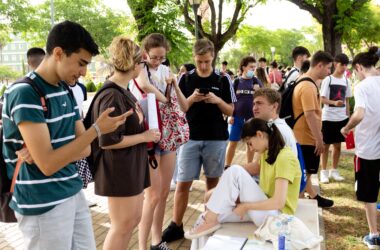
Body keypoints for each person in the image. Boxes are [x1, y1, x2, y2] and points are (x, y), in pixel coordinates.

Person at [2, 20, 129, 250]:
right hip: (42, 202)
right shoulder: (25, 93)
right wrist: (96, 130)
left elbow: (85, 149)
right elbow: (49, 164)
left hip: (72, 191)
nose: (84, 72)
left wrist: (51, 151)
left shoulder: (64, 89)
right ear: (58, 53)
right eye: (81, 63)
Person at [90, 36, 161, 250]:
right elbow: (107, 140)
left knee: (131, 221)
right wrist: (144, 137)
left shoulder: (122, 91)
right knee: (122, 225)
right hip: (119, 168)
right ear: (136, 64)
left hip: (130, 166)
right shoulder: (112, 95)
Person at [162, 38, 235, 242]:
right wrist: (193, 98)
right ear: (195, 58)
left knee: (212, 182)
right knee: (183, 183)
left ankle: (208, 222)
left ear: (213, 57)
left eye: (207, 62)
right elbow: (182, 108)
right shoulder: (186, 79)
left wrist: (217, 100)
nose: (203, 65)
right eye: (200, 61)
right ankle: (176, 225)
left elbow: (231, 110)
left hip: (216, 137)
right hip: (189, 138)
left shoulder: (223, 79)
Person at [184, 118, 301, 239]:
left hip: (279, 219)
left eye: (249, 143)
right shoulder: (267, 153)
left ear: (259, 134)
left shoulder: (285, 157)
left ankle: (209, 220)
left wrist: (246, 206)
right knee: (210, 215)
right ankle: (208, 221)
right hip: (266, 213)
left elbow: (278, 202)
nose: (250, 149)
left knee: (234, 170)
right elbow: (252, 169)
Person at [137, 33, 188, 250]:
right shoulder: (140, 68)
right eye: (154, 57)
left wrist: (174, 85)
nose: (158, 61)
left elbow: (182, 104)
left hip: (167, 133)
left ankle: (157, 240)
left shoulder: (167, 71)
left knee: (164, 191)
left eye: (161, 58)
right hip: (149, 134)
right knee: (152, 195)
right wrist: (165, 97)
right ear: (145, 53)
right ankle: (142, 245)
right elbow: (144, 85)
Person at [341, 47, 380, 249]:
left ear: (358, 67)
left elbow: (360, 114)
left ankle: (374, 235)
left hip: (368, 150)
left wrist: (347, 128)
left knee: (369, 193)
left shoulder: (362, 86)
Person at [292, 50, 334, 208]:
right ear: (319, 65)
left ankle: (314, 197)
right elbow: (310, 115)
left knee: (304, 176)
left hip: (303, 136)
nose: (329, 72)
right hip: (306, 138)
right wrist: (319, 139)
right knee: (302, 178)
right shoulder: (308, 86)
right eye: (328, 68)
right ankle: (298, 211)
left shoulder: (303, 80)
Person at [319, 53, 351, 183]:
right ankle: (324, 172)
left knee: (337, 146)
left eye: (345, 65)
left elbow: (347, 100)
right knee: (325, 146)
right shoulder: (328, 80)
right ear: (335, 64)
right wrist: (333, 103)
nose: (343, 67)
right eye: (341, 64)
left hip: (341, 118)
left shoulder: (346, 80)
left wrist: (348, 118)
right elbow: (321, 99)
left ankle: (334, 171)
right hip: (328, 118)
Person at [225, 56, 262, 169]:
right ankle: (227, 165)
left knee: (250, 143)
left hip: (251, 119)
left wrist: (258, 91)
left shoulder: (256, 81)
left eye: (254, 67)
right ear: (244, 67)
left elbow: (263, 100)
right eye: (251, 67)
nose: (253, 69)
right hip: (237, 118)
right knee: (232, 143)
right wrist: (230, 116)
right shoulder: (236, 81)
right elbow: (230, 100)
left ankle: (249, 165)